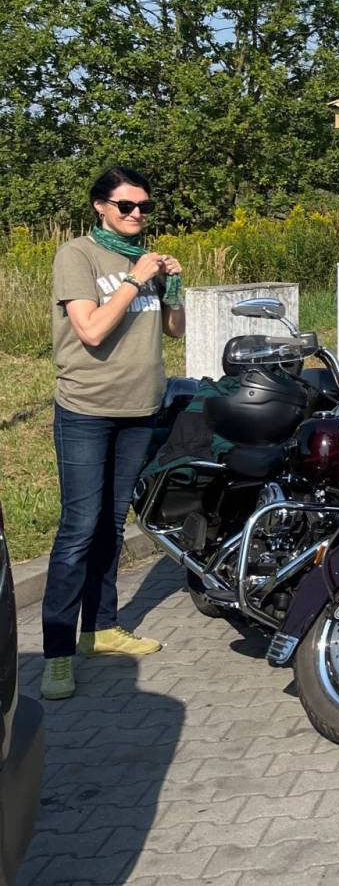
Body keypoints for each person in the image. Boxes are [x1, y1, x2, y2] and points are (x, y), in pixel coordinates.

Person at [42, 167, 184, 701]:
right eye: (126, 206)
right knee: (78, 528)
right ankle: (56, 653)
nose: (137, 214)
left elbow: (174, 331)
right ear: (100, 206)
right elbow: (92, 330)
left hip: (140, 409)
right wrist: (134, 280)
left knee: (111, 525)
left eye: (144, 206)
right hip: (87, 408)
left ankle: (100, 629)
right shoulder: (77, 256)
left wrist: (173, 287)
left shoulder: (144, 260)